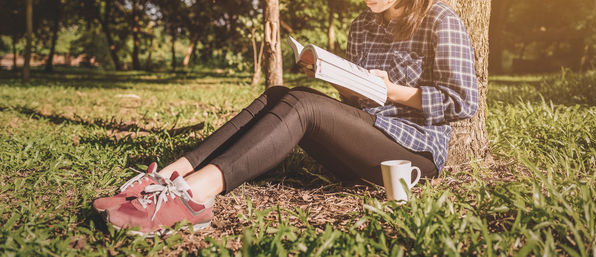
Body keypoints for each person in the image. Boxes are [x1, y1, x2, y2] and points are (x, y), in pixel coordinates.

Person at [93, 0, 477, 236]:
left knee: (305, 106)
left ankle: (192, 197)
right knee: (281, 94)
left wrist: (393, 91)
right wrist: (334, 76)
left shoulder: (440, 19)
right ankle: (169, 175)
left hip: (412, 155)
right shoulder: (361, 24)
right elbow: (362, 99)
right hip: (368, 135)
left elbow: (463, 101)